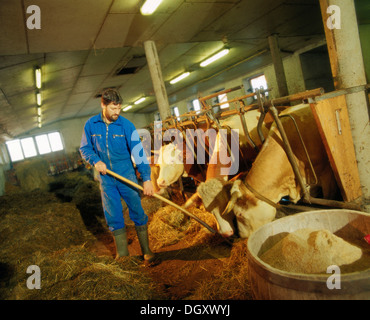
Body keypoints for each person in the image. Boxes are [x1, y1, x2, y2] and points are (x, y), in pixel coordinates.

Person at [80, 88, 155, 264]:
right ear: (103, 105)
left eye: (119, 108)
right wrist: (95, 161)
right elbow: (85, 148)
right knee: (113, 215)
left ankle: (147, 251)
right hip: (106, 180)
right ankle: (123, 255)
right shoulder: (91, 125)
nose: (117, 112)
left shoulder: (126, 126)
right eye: (113, 109)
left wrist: (147, 179)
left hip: (127, 177)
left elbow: (138, 153)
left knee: (137, 211)